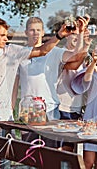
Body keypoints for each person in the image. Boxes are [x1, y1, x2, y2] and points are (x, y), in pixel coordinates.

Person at [0, 17, 69, 168]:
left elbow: (42, 50)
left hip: (4, 117)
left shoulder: (11, 51)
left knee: (4, 162)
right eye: (3, 35)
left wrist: (59, 35)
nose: (6, 38)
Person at [12, 16, 88, 146]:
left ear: (43, 32)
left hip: (50, 108)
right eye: (31, 30)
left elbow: (76, 56)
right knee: (30, 154)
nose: (35, 33)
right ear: (26, 33)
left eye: (38, 30)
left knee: (51, 152)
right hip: (27, 109)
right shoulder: (20, 53)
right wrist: (11, 110)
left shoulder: (54, 51)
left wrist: (80, 33)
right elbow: (14, 86)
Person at [57, 27, 92, 152]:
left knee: (71, 149)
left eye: (79, 34)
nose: (76, 37)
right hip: (62, 108)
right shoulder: (60, 53)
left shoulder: (86, 56)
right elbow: (74, 63)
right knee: (61, 149)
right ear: (67, 35)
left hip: (76, 108)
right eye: (73, 34)